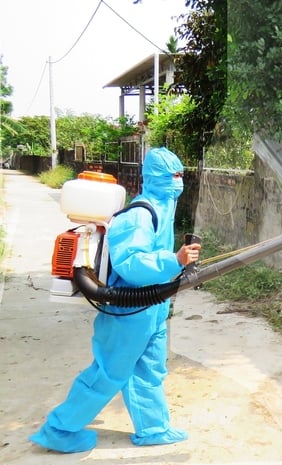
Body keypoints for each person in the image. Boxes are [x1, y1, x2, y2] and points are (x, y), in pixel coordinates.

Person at [29, 147, 201, 453]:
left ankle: (153, 428)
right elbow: (131, 264)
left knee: (149, 369)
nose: (179, 181)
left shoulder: (163, 209)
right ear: (156, 178)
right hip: (128, 311)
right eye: (173, 175)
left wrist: (174, 265)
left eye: (181, 174)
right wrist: (173, 259)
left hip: (153, 309)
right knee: (109, 373)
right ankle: (59, 429)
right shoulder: (139, 214)